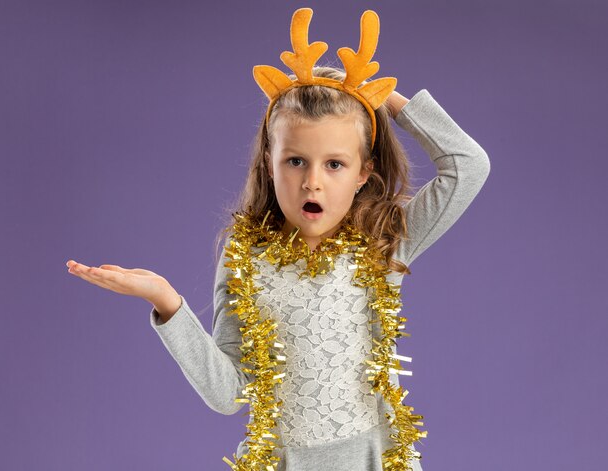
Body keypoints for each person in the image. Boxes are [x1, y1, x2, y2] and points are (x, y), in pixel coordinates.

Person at [66, 8, 490, 471]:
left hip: (377, 459)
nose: (313, 182)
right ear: (269, 161)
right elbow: (228, 394)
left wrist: (379, 101)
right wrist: (168, 304)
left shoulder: (383, 241)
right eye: (295, 161)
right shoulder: (245, 255)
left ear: (364, 172)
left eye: (334, 164)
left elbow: (467, 165)